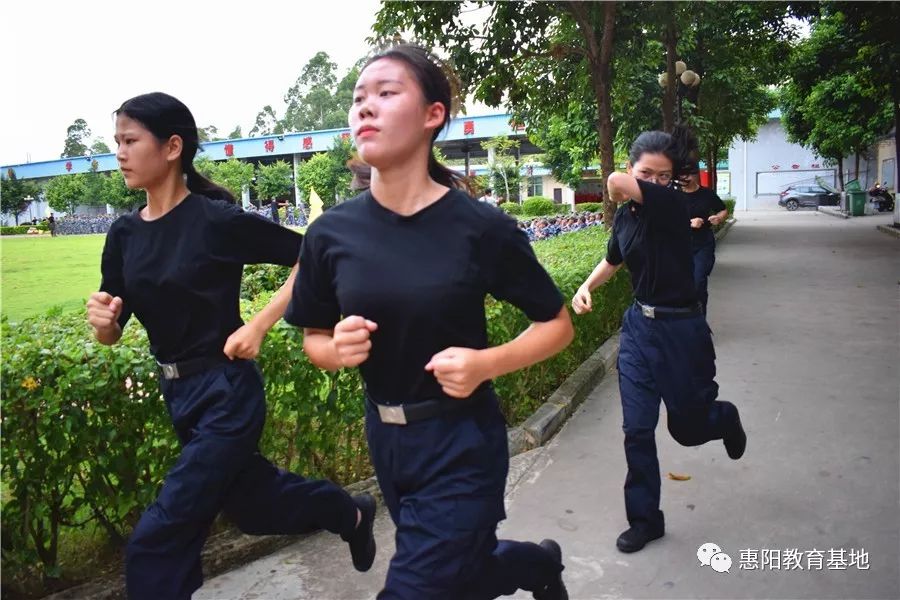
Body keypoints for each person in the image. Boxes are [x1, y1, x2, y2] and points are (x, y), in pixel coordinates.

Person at [284, 44, 573, 600]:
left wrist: (487, 363)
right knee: (461, 573)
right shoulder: (331, 234)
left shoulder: (480, 228)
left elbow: (556, 324)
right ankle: (536, 565)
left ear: (432, 115)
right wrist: (334, 348)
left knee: (419, 587)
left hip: (461, 440)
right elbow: (313, 339)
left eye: (386, 94)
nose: (364, 108)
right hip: (387, 440)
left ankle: (527, 565)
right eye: (358, 99)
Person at [85, 92, 376, 600]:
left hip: (227, 391)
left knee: (158, 541)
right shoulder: (125, 234)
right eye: (118, 143)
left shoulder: (215, 220)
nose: (121, 154)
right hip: (178, 394)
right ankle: (350, 512)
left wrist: (261, 324)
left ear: (172, 146)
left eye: (131, 141)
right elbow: (111, 331)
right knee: (253, 507)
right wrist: (105, 324)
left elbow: (312, 255)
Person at [571, 126, 746, 554]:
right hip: (638, 331)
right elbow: (613, 258)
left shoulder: (670, 205)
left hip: (681, 332)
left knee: (686, 430)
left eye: (661, 175)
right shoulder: (629, 219)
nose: (652, 182)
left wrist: (632, 182)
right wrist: (586, 286)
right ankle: (646, 520)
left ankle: (722, 418)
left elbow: (613, 183)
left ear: (671, 179)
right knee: (636, 430)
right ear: (634, 168)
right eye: (644, 173)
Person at [681, 170, 727, 316]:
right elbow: (665, 221)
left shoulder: (707, 194)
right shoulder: (673, 196)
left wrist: (719, 218)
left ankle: (700, 322)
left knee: (698, 282)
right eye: (680, 176)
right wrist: (688, 223)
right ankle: (683, 322)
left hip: (703, 244)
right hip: (679, 246)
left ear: (695, 175)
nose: (684, 179)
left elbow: (723, 210)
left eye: (687, 175)